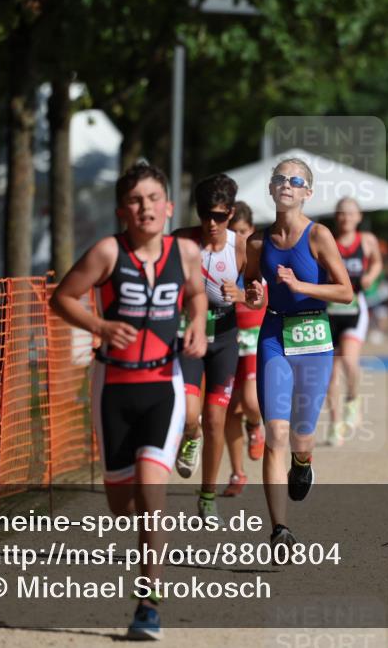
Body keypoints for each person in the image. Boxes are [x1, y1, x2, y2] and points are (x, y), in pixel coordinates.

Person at [50, 163, 207, 640]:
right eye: (136, 200)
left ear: (169, 207)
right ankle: (141, 533)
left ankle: (148, 603)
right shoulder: (106, 252)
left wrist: (197, 321)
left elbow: (197, 293)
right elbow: (63, 298)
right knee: (122, 502)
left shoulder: (186, 252)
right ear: (123, 211)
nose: (146, 207)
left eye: (154, 198)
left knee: (152, 490)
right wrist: (98, 327)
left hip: (164, 384)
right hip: (113, 386)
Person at [243, 157, 353, 550]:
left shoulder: (320, 235)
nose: (286, 184)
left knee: (300, 440)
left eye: (295, 180)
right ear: (271, 189)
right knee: (276, 433)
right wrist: (252, 294)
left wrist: (303, 285)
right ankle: (279, 530)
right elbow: (252, 289)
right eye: (280, 179)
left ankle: (303, 463)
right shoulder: (256, 242)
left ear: (307, 192)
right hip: (274, 334)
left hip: (314, 338)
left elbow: (345, 292)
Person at [171, 174, 246, 519]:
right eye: (205, 214)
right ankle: (191, 434)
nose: (211, 223)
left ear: (230, 213)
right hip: (189, 336)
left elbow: (261, 297)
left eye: (219, 216)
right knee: (190, 416)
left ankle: (207, 494)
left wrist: (244, 295)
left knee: (216, 418)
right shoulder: (181, 241)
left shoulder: (242, 246)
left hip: (227, 338)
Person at [324, 197, 383, 446]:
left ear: (359, 217)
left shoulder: (367, 240)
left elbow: (378, 262)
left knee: (349, 359)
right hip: (329, 310)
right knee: (330, 372)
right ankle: (336, 423)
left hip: (354, 309)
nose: (346, 218)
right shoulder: (327, 241)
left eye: (350, 214)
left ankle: (354, 399)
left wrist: (370, 275)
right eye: (341, 213)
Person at [221, 201, 266, 497]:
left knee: (250, 400)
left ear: (251, 230)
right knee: (227, 410)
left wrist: (241, 296)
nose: (237, 237)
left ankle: (256, 424)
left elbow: (263, 299)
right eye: (232, 231)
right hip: (225, 334)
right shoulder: (219, 255)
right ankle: (237, 472)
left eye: (242, 231)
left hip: (253, 333)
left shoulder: (258, 256)